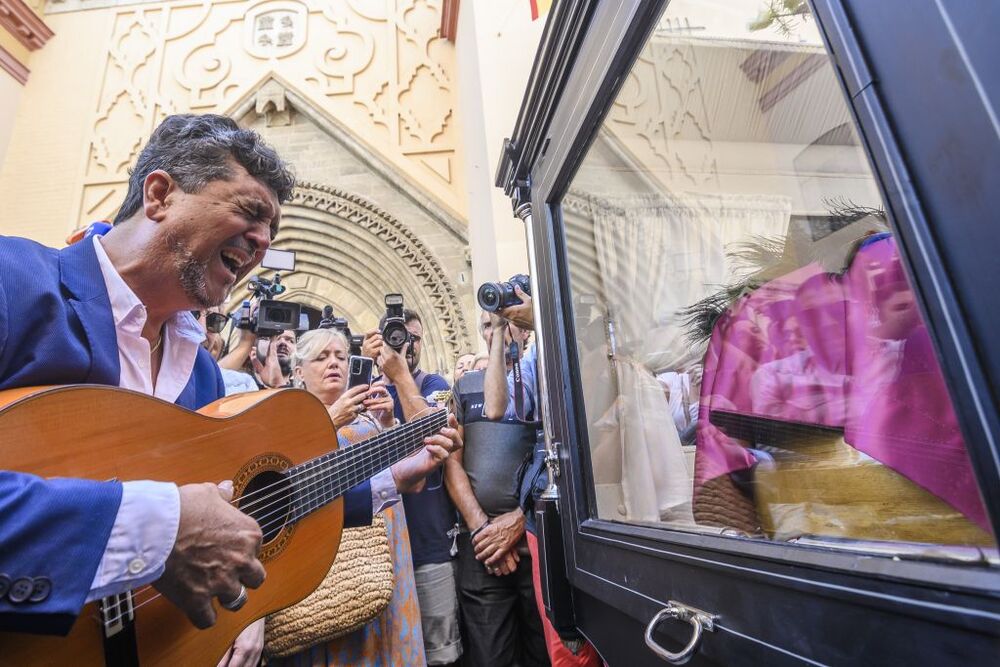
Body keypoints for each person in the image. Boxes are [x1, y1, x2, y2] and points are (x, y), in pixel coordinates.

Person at [0, 115, 460, 656]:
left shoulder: (201, 373)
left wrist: (386, 478)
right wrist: (153, 531)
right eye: (250, 212)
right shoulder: (15, 283)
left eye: (272, 231)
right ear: (160, 194)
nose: (263, 241)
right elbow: (179, 525)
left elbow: (244, 500)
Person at [269, 327, 449, 665]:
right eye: (321, 357)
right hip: (333, 571)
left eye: (340, 356)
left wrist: (389, 423)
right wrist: (331, 418)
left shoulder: (371, 416)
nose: (333, 364)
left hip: (387, 557)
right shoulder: (284, 419)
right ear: (298, 372)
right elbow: (283, 487)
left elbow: (415, 484)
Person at [484, 284, 603, 667]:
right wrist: (501, 334)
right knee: (562, 641)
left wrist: (542, 321)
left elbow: (598, 390)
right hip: (545, 507)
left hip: (591, 498)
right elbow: (495, 408)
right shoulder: (532, 354)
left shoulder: (585, 333)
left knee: (595, 636)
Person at [445, 311, 548, 666]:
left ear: (525, 328)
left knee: (544, 653)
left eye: (504, 322)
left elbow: (554, 457)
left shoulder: (541, 379)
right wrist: (483, 530)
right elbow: (452, 463)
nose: (496, 332)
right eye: (487, 325)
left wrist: (521, 521)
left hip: (535, 542)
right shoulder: (465, 385)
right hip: (483, 550)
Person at [363, 312, 462, 666]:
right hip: (378, 552)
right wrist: (362, 368)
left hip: (428, 545)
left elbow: (437, 439)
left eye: (414, 338)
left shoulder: (434, 383)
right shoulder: (364, 388)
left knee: (441, 654)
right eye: (397, 337)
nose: (406, 345)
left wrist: (401, 375)